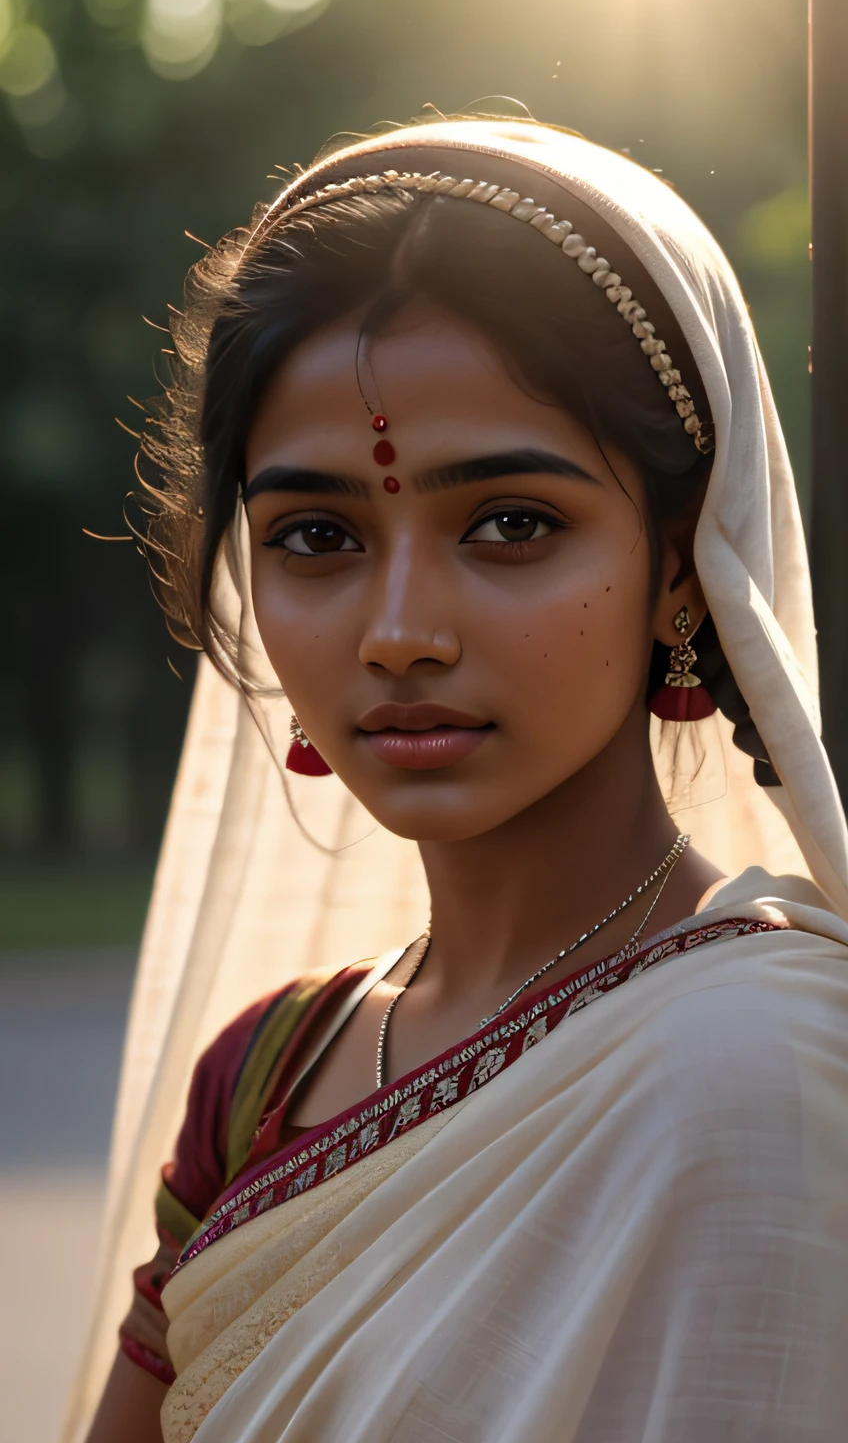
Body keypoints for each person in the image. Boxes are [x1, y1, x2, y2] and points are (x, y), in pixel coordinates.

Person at [77, 118, 848, 1443]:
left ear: (680, 565)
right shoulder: (263, 1076)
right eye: (316, 536)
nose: (399, 630)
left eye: (509, 524)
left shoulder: (769, 1067)